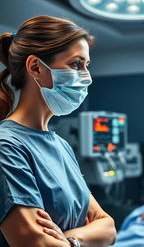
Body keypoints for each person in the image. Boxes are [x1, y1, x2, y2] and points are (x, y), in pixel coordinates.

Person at [0, 16, 116, 247]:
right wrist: (86, 236)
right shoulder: (7, 146)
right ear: (35, 67)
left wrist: (71, 240)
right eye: (76, 64)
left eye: (87, 65)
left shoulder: (60, 145)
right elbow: (36, 244)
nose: (87, 77)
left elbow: (108, 227)